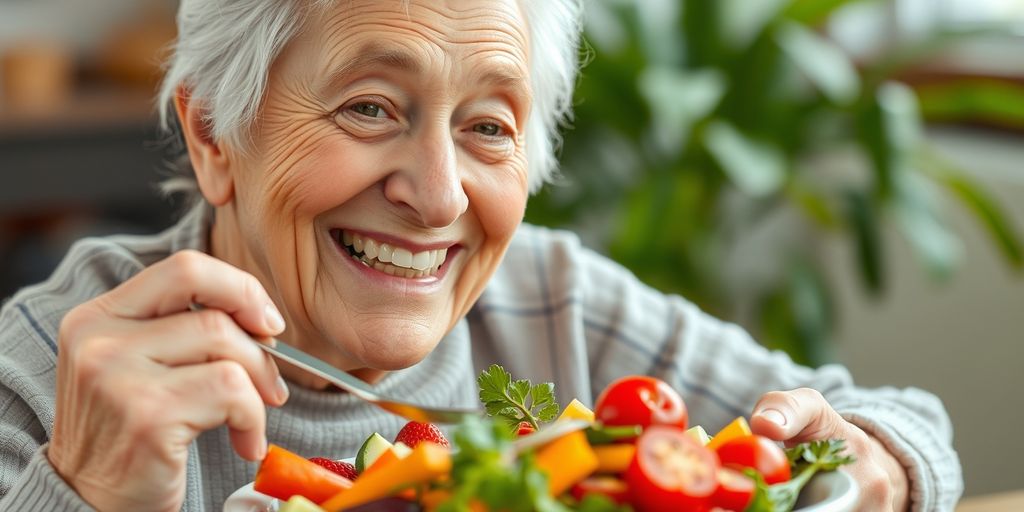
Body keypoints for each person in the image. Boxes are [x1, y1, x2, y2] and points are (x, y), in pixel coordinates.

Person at [0, 0, 962, 510]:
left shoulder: (558, 303)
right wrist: (85, 498)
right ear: (215, 135)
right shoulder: (49, 365)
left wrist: (870, 470)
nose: (440, 193)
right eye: (370, 107)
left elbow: (893, 420)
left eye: (488, 126)